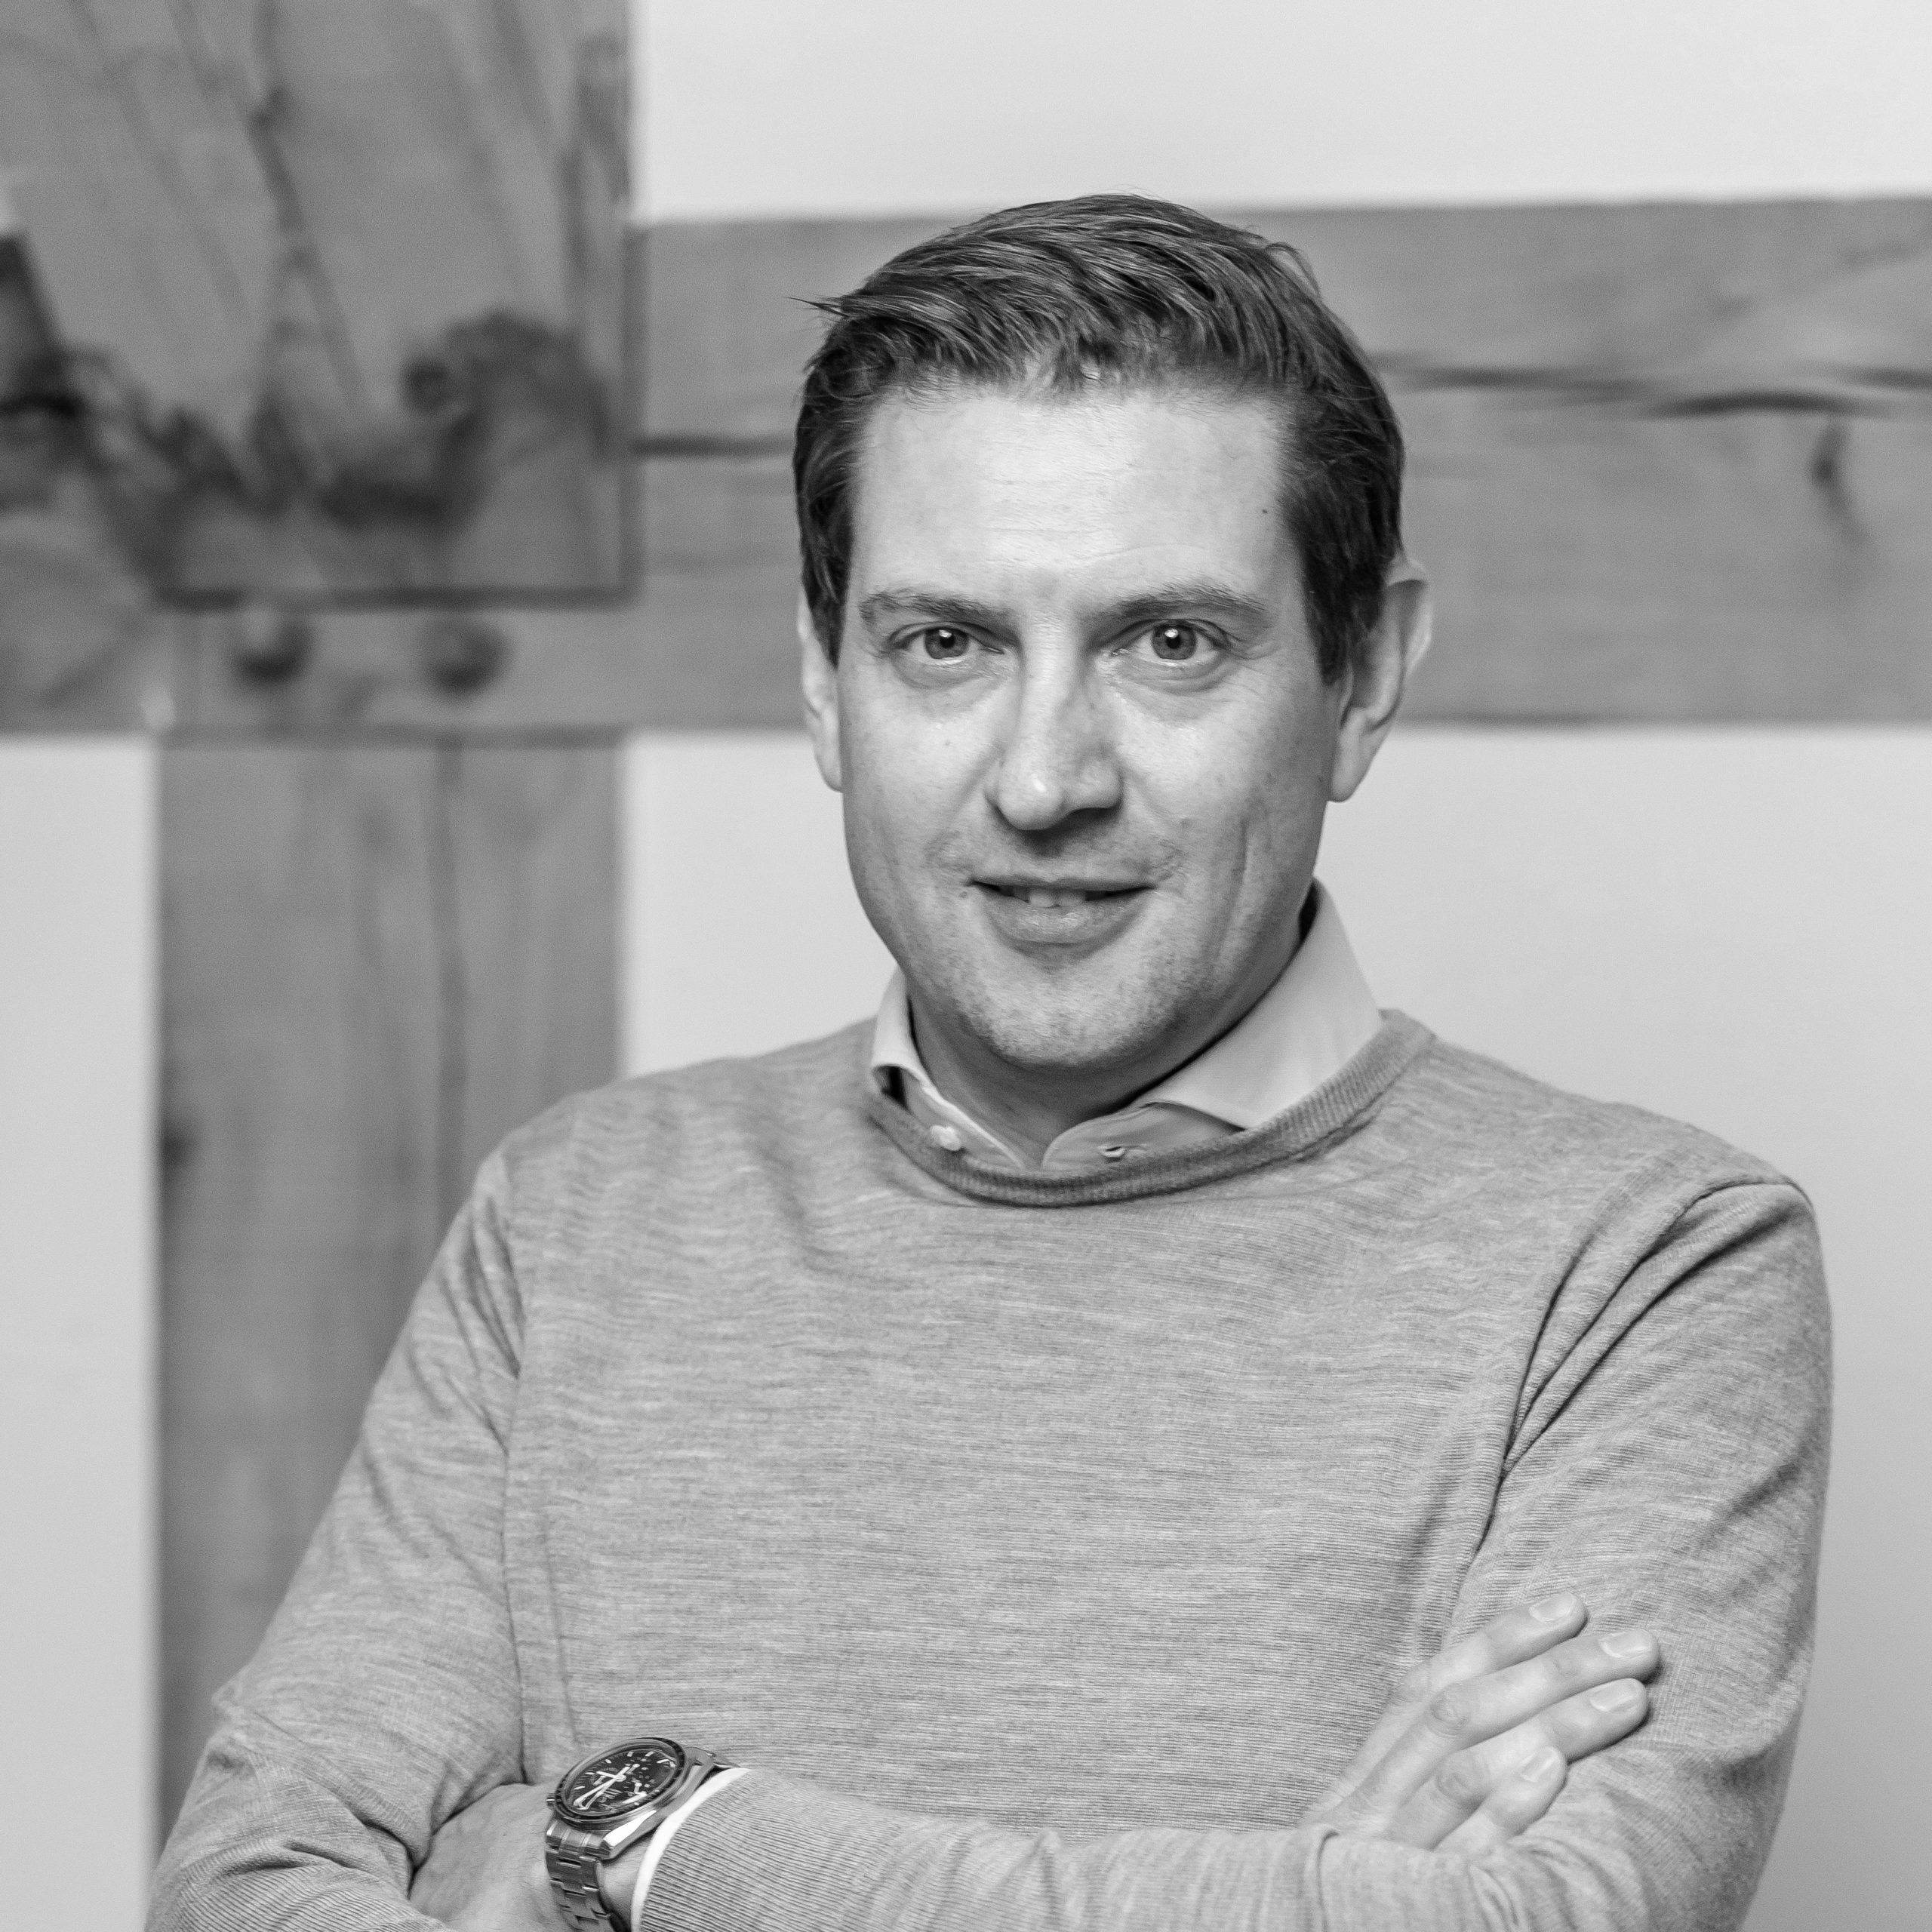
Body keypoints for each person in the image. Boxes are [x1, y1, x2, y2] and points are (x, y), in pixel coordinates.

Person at [150, 196, 1829, 1932]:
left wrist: (639, 1837)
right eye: (943, 643)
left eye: (1168, 642)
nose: (1041, 781)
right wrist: (1305, 1889)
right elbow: (243, 1890)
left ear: (1361, 677)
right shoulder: (572, 1219)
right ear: (825, 681)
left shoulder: (1643, 1258)